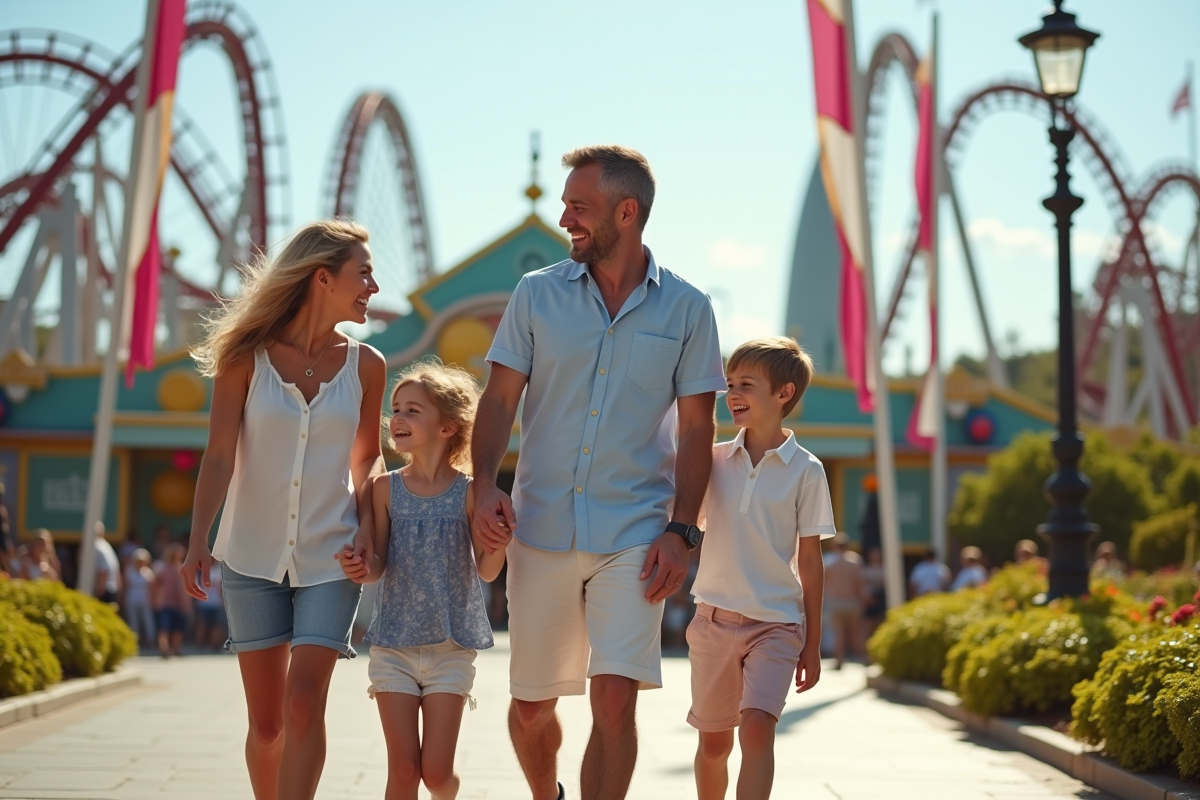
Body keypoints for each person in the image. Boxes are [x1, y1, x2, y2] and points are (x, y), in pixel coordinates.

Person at [472, 145, 725, 800]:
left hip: (636, 531)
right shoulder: (535, 296)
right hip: (539, 524)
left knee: (615, 701)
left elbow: (699, 430)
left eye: (579, 207)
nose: (566, 219)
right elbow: (498, 401)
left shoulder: (689, 310)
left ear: (627, 211)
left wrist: (682, 531)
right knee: (532, 708)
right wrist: (482, 487)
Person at [180, 220, 386, 800]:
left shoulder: (367, 366)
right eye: (362, 273)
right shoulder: (245, 357)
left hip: (333, 554)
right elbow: (219, 455)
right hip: (249, 555)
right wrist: (200, 539)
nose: (373, 285)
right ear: (323, 277)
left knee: (303, 704)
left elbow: (367, 459)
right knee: (267, 725)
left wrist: (371, 531)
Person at [339, 360, 506, 800]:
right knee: (403, 773)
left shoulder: (471, 492)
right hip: (394, 646)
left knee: (436, 774)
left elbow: (487, 569)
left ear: (449, 427)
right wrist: (360, 565)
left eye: (413, 410)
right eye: (396, 409)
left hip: (451, 650)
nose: (397, 418)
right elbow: (377, 564)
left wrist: (502, 539)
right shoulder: (383, 489)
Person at [686, 337, 832, 800]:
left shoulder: (807, 470)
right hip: (712, 621)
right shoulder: (711, 461)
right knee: (713, 745)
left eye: (746, 384)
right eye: (729, 384)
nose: (732, 394)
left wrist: (812, 642)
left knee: (756, 732)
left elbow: (810, 559)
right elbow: (685, 523)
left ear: (783, 393)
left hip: (777, 626)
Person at [822, 533, 865, 670]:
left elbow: (824, 584)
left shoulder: (829, 562)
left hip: (835, 602)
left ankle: (839, 660)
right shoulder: (855, 561)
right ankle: (861, 658)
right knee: (855, 632)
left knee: (838, 633)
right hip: (852, 601)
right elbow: (859, 584)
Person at [155, 543, 190, 657]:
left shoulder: (175, 568)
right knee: (167, 628)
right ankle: (166, 649)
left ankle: (173, 649)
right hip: (168, 603)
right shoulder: (169, 569)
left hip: (174, 603)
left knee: (174, 628)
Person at [123, 548, 156, 647]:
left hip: (145, 600)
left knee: (147, 620)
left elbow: (152, 588)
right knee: (133, 621)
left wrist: (152, 599)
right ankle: (135, 641)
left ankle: (150, 640)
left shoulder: (148, 572)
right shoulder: (129, 571)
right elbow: (126, 586)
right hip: (131, 599)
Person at [192, 562, 227, 652]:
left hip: (217, 603)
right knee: (202, 624)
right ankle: (199, 644)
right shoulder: (200, 571)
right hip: (203, 602)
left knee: (216, 625)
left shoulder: (219, 570)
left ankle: (214, 645)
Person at [861, 547, 886, 644]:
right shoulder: (866, 569)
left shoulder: (885, 568)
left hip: (881, 600)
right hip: (870, 600)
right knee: (868, 627)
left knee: (880, 625)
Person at [93, 522, 121, 604]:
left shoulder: (98, 546)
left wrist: (98, 592)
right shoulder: (106, 546)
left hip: (104, 591)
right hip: (111, 589)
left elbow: (103, 571)